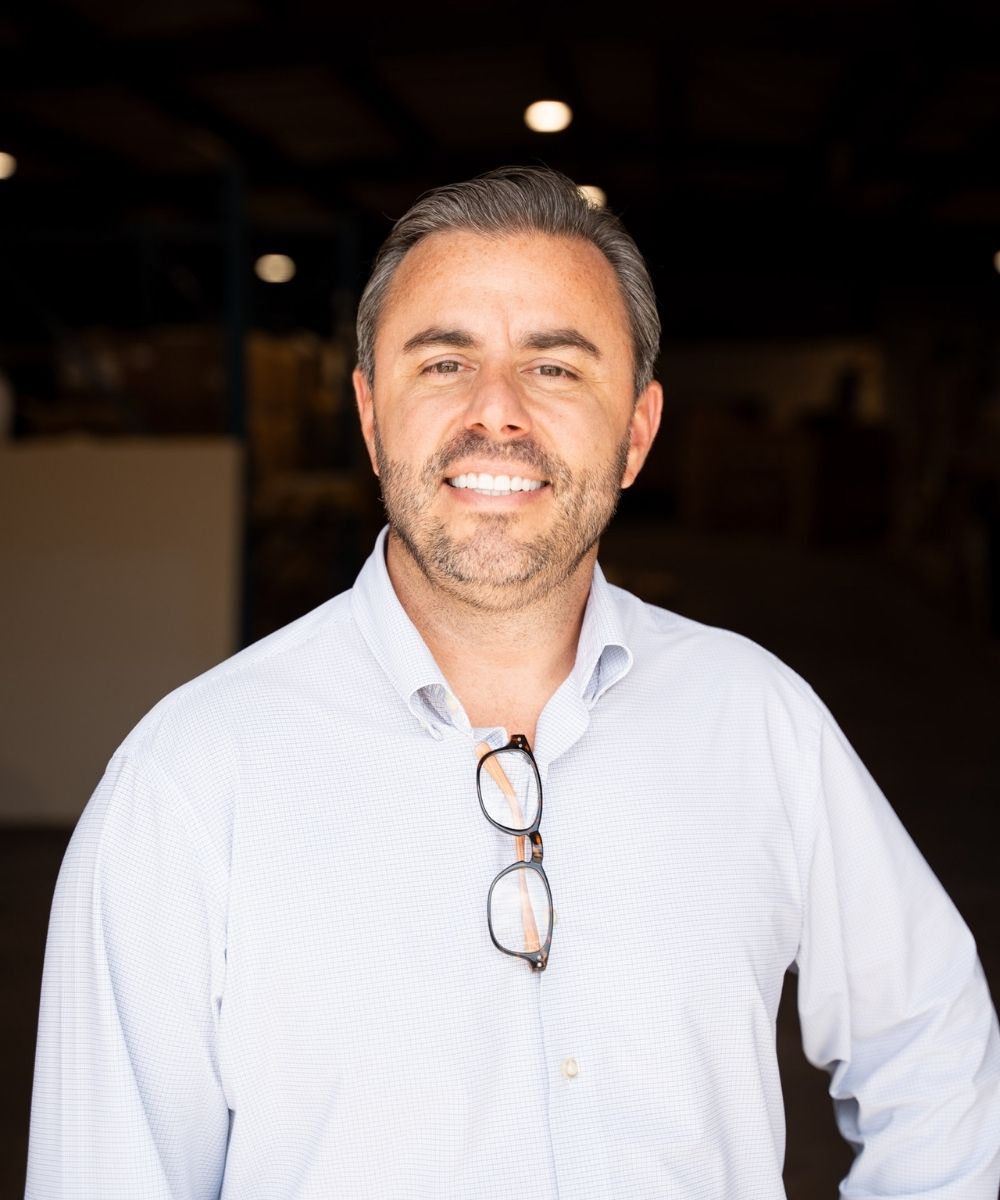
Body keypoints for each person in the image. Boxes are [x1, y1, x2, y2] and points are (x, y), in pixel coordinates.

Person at [27, 166, 999, 1199]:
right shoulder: (189, 778)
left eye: (555, 367)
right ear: (370, 415)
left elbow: (932, 1040)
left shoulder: (755, 720)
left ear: (637, 432)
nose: (496, 413)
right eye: (445, 362)